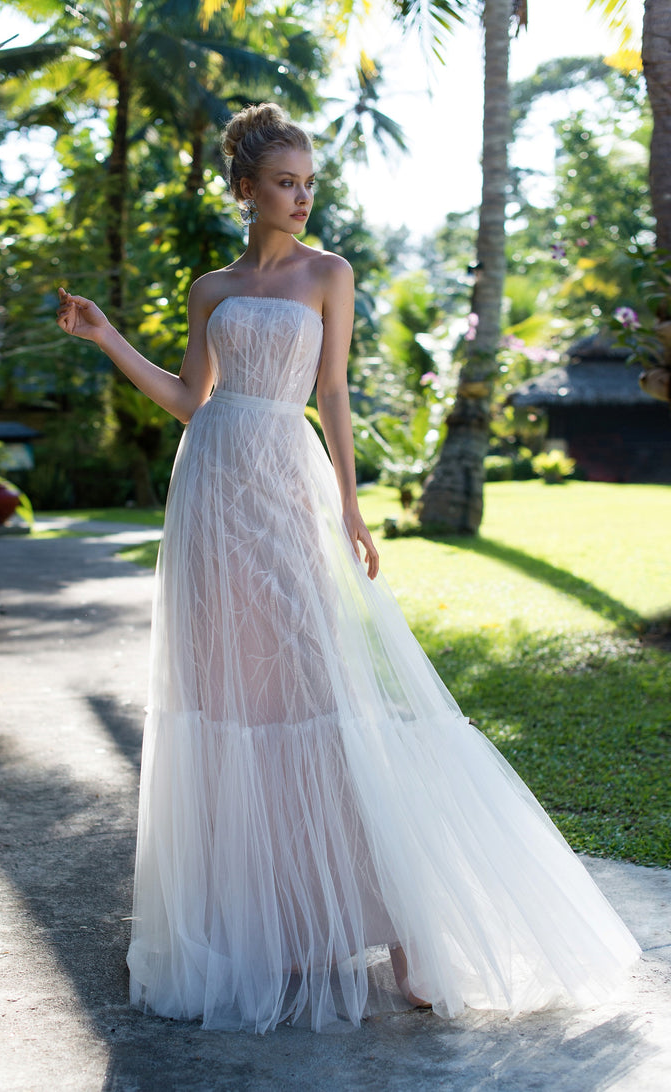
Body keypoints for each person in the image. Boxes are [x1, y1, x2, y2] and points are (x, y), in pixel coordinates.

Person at [56, 103, 640, 1033]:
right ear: (245, 187)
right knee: (230, 702)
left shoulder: (332, 274)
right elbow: (185, 399)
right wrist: (104, 336)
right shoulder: (211, 288)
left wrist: (351, 508)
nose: (300, 197)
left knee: (319, 696)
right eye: (284, 182)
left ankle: (403, 925)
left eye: (308, 182)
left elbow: (330, 393)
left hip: (286, 489)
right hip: (209, 492)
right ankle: (273, 926)